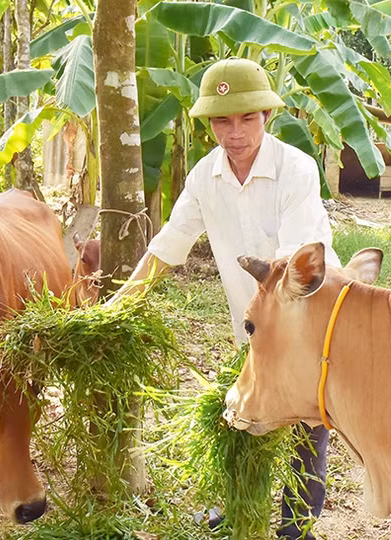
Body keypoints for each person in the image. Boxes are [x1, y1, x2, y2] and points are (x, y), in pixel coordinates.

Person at [112, 57, 341, 540]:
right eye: (222, 119)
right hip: (254, 326)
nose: (234, 132)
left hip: (307, 322)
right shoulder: (203, 178)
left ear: (266, 118)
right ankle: (239, 510)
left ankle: (295, 527)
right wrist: (118, 307)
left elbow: (292, 264)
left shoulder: (295, 169)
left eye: (247, 118)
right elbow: (169, 245)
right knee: (242, 418)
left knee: (305, 425)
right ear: (208, 124)